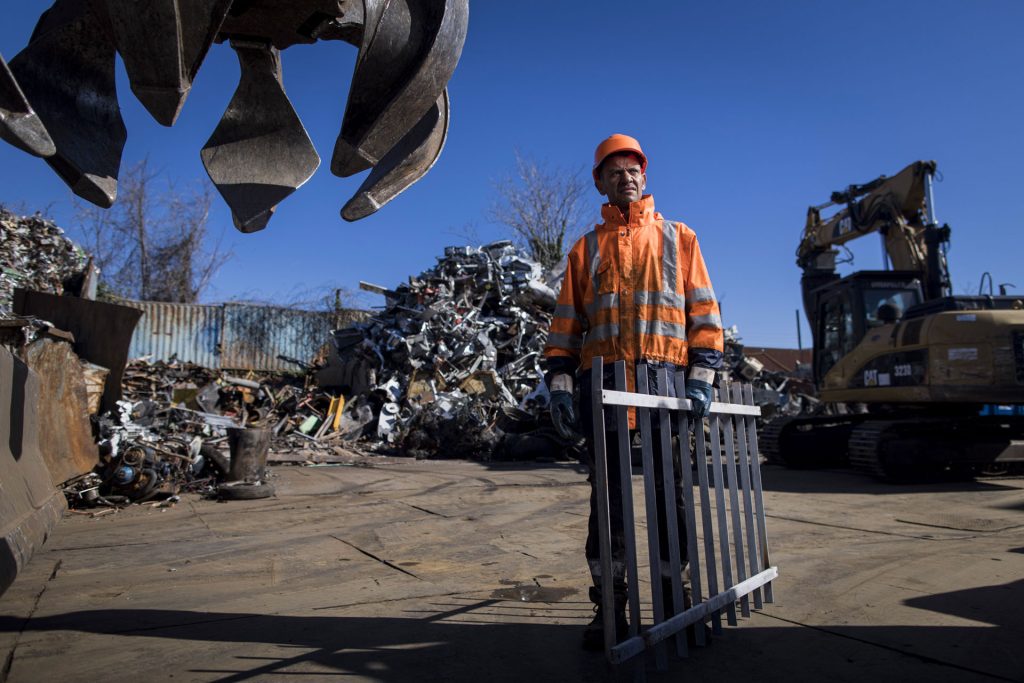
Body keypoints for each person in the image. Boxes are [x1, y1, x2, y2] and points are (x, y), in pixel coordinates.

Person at [542, 134, 724, 650]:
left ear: (645, 177)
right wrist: (558, 384)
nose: (627, 177)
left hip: (665, 385)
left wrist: (702, 378)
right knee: (609, 503)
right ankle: (610, 609)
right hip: (602, 388)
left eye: (634, 169)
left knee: (671, 495)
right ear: (599, 181)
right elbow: (565, 327)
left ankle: (674, 601)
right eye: (614, 170)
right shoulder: (586, 248)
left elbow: (705, 315)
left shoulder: (678, 238)